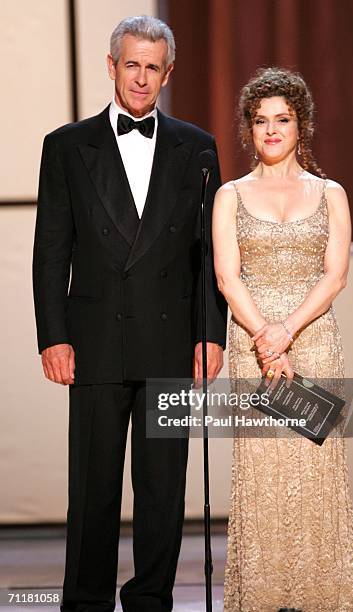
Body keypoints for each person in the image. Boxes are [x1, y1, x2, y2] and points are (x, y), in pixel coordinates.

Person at [32, 15, 227, 612]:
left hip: (171, 343)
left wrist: (209, 334)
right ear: (112, 65)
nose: (141, 78)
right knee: (91, 491)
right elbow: (50, 251)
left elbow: (208, 252)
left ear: (169, 73)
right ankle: (86, 601)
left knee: (163, 491)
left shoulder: (197, 147)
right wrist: (53, 336)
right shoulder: (67, 146)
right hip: (93, 342)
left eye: (153, 67)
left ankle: (150, 602)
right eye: (131, 64)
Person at [212, 67, 353, 611]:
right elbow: (228, 277)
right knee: (264, 474)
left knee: (314, 472)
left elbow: (336, 275)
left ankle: (322, 596)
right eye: (260, 121)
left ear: (302, 125)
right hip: (253, 348)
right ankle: (261, 596)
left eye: (282, 120)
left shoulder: (331, 193)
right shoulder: (230, 194)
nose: (271, 131)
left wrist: (286, 331)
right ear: (247, 129)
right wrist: (263, 337)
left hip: (314, 342)